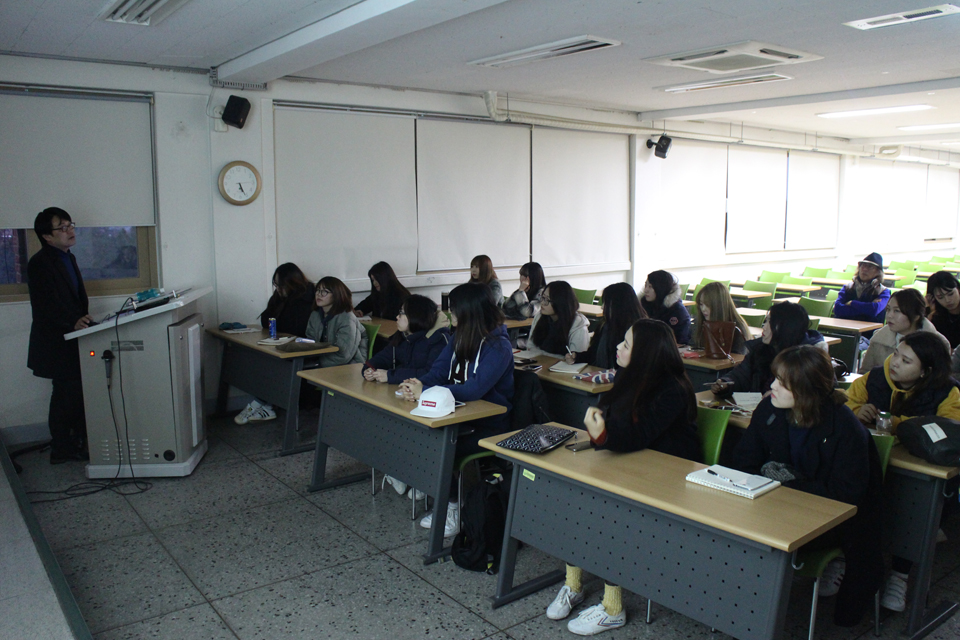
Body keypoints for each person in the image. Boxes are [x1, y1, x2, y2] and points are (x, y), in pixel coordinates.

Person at [547, 319, 699, 635]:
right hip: (632, 467)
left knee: (608, 511)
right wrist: (601, 428)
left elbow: (639, 435)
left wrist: (603, 433)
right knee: (576, 497)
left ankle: (613, 608)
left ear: (645, 354)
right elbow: (617, 423)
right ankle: (573, 585)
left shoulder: (672, 389)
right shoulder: (630, 377)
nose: (618, 347)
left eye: (626, 344)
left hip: (666, 481)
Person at [731, 345, 884, 627]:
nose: (771, 386)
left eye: (782, 382)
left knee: (756, 541)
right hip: (777, 507)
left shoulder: (845, 427)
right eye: (775, 378)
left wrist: (785, 483)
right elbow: (743, 461)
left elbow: (846, 497)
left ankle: (755, 618)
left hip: (830, 521)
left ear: (806, 390)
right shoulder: (770, 409)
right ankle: (734, 608)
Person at [846, 331, 960, 612]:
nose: (895, 362)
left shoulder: (948, 392)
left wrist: (898, 423)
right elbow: (846, 402)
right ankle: (841, 560)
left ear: (925, 372)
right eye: (896, 354)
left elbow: (949, 430)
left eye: (906, 360)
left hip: (919, 473)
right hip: (871, 462)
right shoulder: (874, 378)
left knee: (914, 511)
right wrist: (857, 411)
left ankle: (900, 574)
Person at [399, 283, 514, 536]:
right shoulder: (458, 336)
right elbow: (438, 371)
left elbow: (474, 389)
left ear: (469, 311)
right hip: (456, 413)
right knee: (414, 431)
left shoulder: (498, 347)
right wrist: (418, 385)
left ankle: (452, 506)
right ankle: (429, 482)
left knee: (438, 446)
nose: (449, 314)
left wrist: (427, 392)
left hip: (487, 424)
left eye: (453, 309)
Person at [363, 294, 451, 497]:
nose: (397, 317)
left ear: (416, 316)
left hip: (429, 399)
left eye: (402, 313)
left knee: (408, 429)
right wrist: (368, 369)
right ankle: (399, 471)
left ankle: (417, 477)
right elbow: (381, 358)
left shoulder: (438, 340)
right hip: (407, 395)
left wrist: (391, 375)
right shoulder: (403, 337)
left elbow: (430, 373)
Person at [27, 207, 94, 464]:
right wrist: (71, 322)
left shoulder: (68, 256)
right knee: (65, 395)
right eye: (62, 227)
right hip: (56, 340)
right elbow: (45, 305)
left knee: (74, 393)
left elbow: (74, 298)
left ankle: (75, 441)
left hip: (74, 336)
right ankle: (61, 449)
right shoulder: (40, 263)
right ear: (47, 236)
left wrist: (83, 320)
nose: (70, 231)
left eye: (70, 225)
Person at [235, 263, 317, 424]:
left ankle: (262, 404)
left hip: (303, 349)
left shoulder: (307, 299)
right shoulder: (282, 297)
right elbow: (266, 320)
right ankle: (264, 404)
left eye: (280, 285)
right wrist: (278, 300)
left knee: (271, 363)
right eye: (276, 285)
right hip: (286, 345)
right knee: (259, 357)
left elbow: (295, 327)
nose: (278, 289)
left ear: (291, 283)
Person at [712, 301, 827, 396]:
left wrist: (775, 397)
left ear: (786, 327)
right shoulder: (760, 349)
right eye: (765, 321)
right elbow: (741, 376)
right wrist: (725, 384)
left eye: (770, 322)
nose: (764, 327)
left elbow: (811, 396)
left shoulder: (808, 359)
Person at [859, 288, 949, 372]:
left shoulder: (939, 344)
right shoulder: (879, 339)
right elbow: (865, 374)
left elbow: (940, 378)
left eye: (897, 311)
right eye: (888, 309)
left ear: (916, 316)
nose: (889, 315)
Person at [565, 282, 645, 370]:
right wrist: (576, 357)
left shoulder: (636, 331)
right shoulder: (605, 325)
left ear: (617, 305)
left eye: (605, 303)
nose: (602, 307)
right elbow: (593, 354)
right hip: (600, 373)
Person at [306, 277, 369, 367]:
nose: (319, 294)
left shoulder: (346, 318)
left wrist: (317, 363)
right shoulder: (315, 315)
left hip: (349, 364)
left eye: (324, 291)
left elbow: (343, 355)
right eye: (318, 290)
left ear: (336, 295)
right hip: (323, 361)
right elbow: (310, 342)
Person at [526, 281, 590, 358]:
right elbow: (530, 347)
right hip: (539, 363)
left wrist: (542, 355)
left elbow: (574, 358)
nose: (542, 303)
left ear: (560, 302)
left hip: (562, 365)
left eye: (547, 300)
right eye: (542, 297)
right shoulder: (540, 317)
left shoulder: (578, 324)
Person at [689, 281, 751, 355]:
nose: (703, 309)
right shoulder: (700, 322)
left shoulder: (737, 328)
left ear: (719, 305)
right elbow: (692, 346)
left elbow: (738, 358)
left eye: (707, 305)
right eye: (701, 304)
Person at [833, 252, 890, 326]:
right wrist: (865, 310)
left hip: (869, 331)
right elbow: (837, 309)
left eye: (870, 267)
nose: (865, 269)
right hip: (844, 327)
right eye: (863, 265)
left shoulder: (883, 292)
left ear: (878, 272)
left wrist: (852, 303)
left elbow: (874, 310)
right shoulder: (848, 287)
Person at [640, 270, 691, 344]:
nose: (646, 290)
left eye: (650, 287)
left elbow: (681, 340)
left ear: (660, 288)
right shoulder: (643, 305)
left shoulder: (677, 311)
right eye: (646, 285)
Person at [926, 270, 960, 349]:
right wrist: (931, 313)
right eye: (940, 297)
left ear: (958, 289)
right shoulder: (934, 315)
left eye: (951, 294)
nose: (947, 300)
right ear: (933, 298)